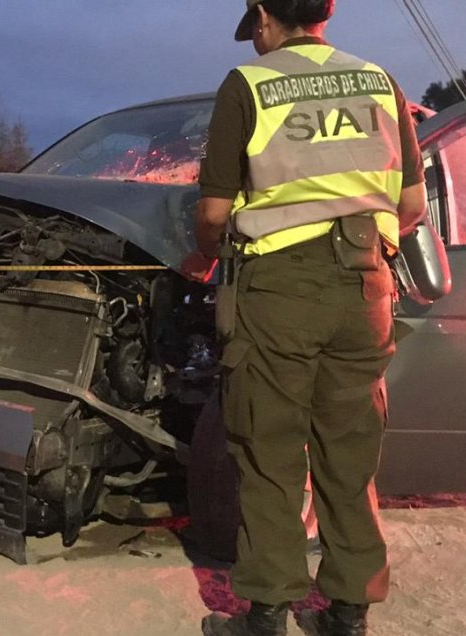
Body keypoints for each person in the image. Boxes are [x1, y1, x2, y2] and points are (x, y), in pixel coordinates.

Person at [182, 2, 427, 634]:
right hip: (365, 288)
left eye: (254, 29)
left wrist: (207, 254)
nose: (255, 40)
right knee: (349, 456)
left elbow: (213, 214)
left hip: (279, 292)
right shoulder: (378, 81)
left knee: (269, 453)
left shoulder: (248, 85)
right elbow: (412, 206)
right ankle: (346, 615)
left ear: (265, 16)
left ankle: (266, 616)